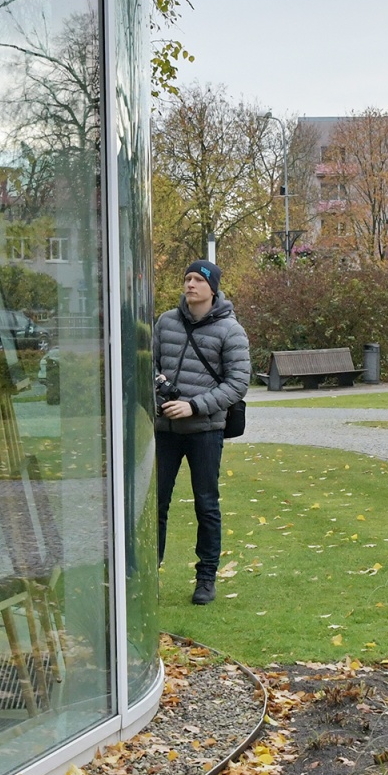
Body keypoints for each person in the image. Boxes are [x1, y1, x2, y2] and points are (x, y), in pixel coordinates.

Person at [153, 259, 250, 604]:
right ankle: (149, 575)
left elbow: (238, 383)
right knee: (155, 505)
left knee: (206, 504)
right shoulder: (165, 322)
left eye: (198, 279)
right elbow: (147, 363)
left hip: (205, 430)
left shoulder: (230, 330)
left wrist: (193, 406)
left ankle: (206, 579)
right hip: (164, 429)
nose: (190, 284)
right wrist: (158, 388)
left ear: (213, 288)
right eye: (187, 278)